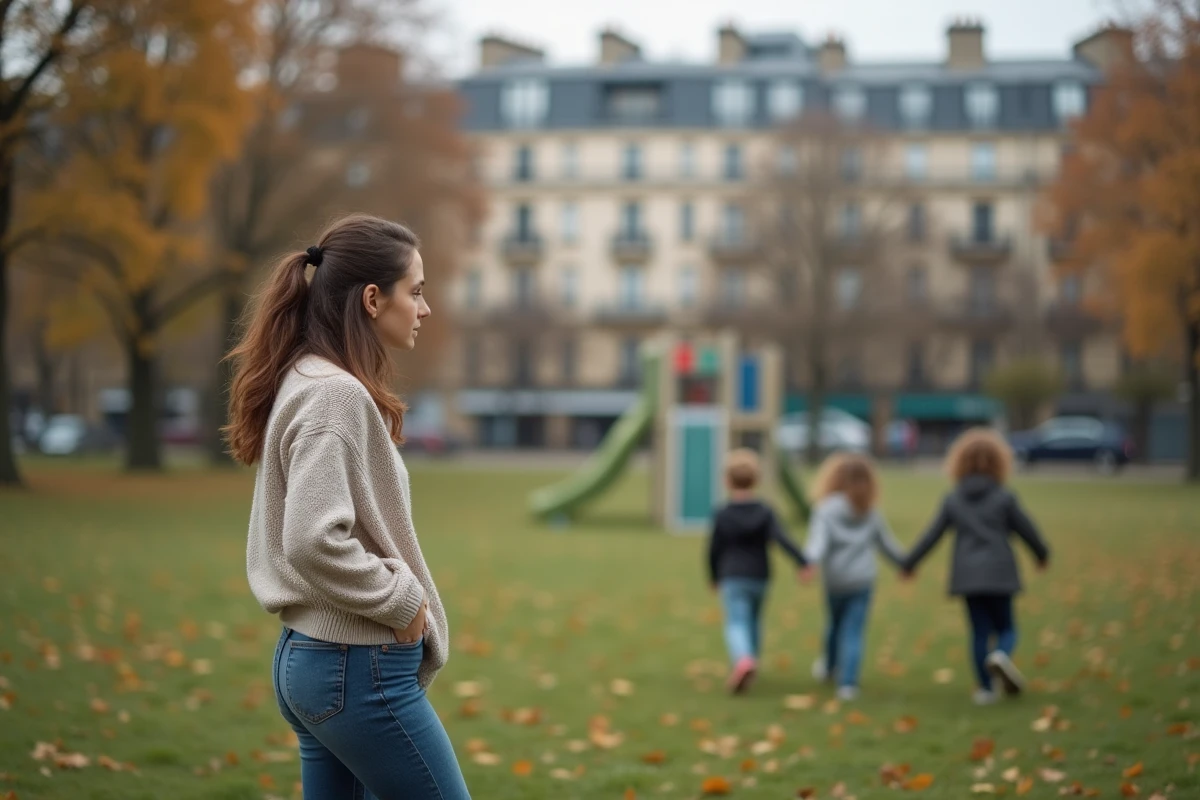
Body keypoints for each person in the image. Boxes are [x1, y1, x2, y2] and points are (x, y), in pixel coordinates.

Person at [224, 214, 469, 799]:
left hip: (315, 661)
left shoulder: (306, 376)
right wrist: (401, 599)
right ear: (371, 298)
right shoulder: (334, 393)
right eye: (416, 292)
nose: (424, 309)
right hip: (355, 670)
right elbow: (312, 537)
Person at [902, 428, 1050, 706]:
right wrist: (1041, 554)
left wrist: (909, 563)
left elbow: (932, 535)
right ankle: (1002, 655)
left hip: (968, 575)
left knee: (980, 631)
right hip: (1000, 573)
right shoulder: (1005, 497)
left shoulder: (953, 498)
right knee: (1006, 627)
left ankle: (985, 688)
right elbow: (1026, 529)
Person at [707, 448, 811, 694]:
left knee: (735, 622)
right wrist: (803, 562)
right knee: (754, 621)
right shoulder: (765, 511)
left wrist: (713, 576)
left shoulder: (723, 513)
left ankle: (743, 660)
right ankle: (751, 661)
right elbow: (782, 539)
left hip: (732, 575)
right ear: (757, 479)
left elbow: (713, 549)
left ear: (727, 480)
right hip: (760, 576)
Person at [804, 453, 904, 701]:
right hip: (863, 580)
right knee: (853, 631)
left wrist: (808, 562)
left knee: (834, 625)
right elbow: (887, 544)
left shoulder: (825, 509)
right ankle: (848, 684)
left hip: (835, 581)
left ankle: (829, 667)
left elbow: (818, 542)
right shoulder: (869, 510)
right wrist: (906, 563)